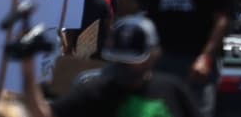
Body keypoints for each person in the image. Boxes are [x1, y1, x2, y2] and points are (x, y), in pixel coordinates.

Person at [22, 14, 200, 117]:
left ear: (154, 56)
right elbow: (44, 114)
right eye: (119, 60)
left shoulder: (172, 90)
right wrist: (27, 68)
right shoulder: (94, 92)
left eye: (132, 61)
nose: (124, 67)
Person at [123, 0, 235, 117]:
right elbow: (129, 9)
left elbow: (223, 17)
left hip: (195, 62)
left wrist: (206, 57)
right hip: (158, 62)